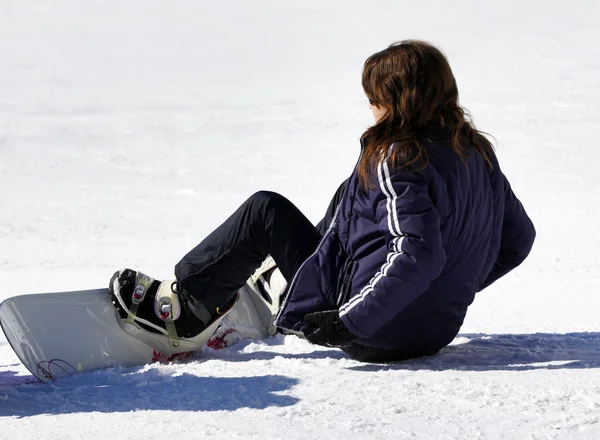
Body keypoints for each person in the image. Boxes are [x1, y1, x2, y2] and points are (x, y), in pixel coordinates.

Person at [110, 40, 536, 363]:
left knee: (265, 210)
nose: (370, 106)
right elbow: (518, 240)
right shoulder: (476, 151)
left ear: (400, 101)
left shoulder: (398, 157)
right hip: (433, 333)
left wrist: (346, 322)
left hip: (373, 334)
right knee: (351, 193)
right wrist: (448, 289)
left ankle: (183, 314)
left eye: (376, 97)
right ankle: (289, 279)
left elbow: (417, 254)